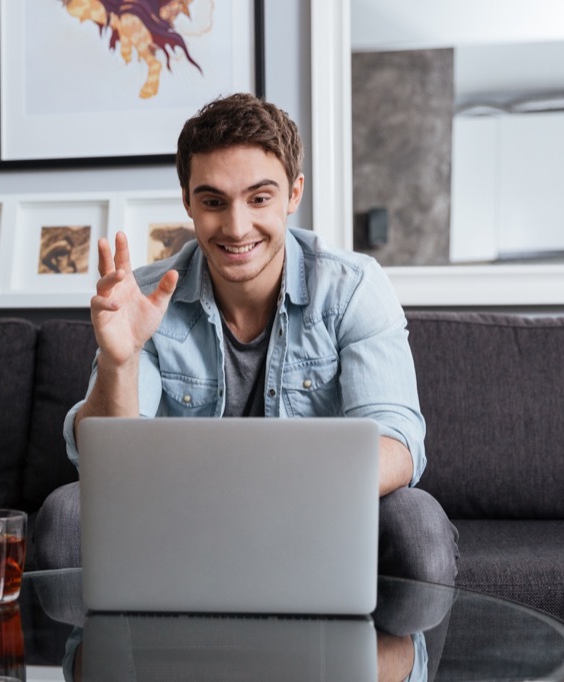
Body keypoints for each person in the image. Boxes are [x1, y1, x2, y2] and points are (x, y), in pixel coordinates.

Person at [35, 93, 458, 586]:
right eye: (213, 202)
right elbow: (107, 464)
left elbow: (398, 443)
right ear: (188, 202)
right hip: (178, 519)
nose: (236, 228)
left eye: (259, 198)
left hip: (318, 514)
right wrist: (119, 361)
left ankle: (373, 646)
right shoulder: (147, 298)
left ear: (293, 194)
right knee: (66, 513)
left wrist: (277, 493)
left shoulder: (353, 288)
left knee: (416, 522)